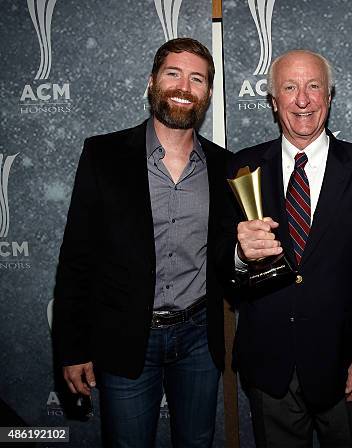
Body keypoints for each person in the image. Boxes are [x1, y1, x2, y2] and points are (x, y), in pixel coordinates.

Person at [53, 38, 232, 447]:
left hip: (199, 340)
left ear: (206, 93)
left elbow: (228, 257)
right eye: (173, 73)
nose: (184, 86)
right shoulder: (103, 155)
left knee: (197, 441)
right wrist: (71, 349)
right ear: (152, 82)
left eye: (197, 79)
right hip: (125, 337)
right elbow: (76, 258)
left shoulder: (226, 165)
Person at [221, 49, 352, 447]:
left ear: (330, 97)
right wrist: (241, 258)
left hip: (345, 367)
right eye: (290, 88)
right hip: (269, 367)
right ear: (273, 101)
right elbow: (222, 273)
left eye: (314, 87)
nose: (303, 99)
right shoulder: (240, 168)